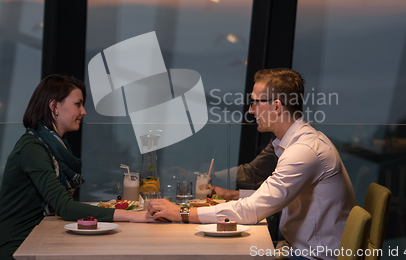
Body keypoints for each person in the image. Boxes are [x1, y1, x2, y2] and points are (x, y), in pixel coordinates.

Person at [148, 68, 356, 260]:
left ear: (276, 106)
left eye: (256, 102)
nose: (250, 110)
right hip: (298, 248)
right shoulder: (298, 143)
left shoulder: (304, 151)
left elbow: (253, 210)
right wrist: (233, 195)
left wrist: (181, 213)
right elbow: (274, 196)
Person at [0, 75, 155, 260]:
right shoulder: (32, 148)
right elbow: (64, 207)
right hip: (16, 250)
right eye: (78, 104)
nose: (83, 111)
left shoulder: (53, 145)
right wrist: (133, 216)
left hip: (37, 240)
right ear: (54, 106)